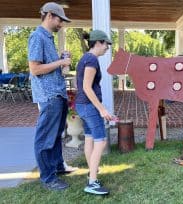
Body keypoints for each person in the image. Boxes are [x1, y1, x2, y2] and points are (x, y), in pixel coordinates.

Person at [28, 2, 77, 191]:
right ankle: (48, 178)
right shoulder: (37, 37)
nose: (61, 24)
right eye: (60, 20)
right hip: (49, 96)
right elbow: (35, 69)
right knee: (45, 138)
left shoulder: (48, 38)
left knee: (56, 135)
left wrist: (60, 60)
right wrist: (60, 62)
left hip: (57, 93)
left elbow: (48, 66)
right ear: (49, 16)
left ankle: (57, 167)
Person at [75, 30, 114, 195]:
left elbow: (82, 87)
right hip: (89, 107)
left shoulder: (85, 58)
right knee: (101, 141)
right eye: (106, 44)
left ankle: (92, 172)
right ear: (98, 42)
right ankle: (92, 183)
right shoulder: (91, 59)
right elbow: (86, 87)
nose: (107, 48)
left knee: (90, 138)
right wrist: (102, 109)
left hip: (81, 105)